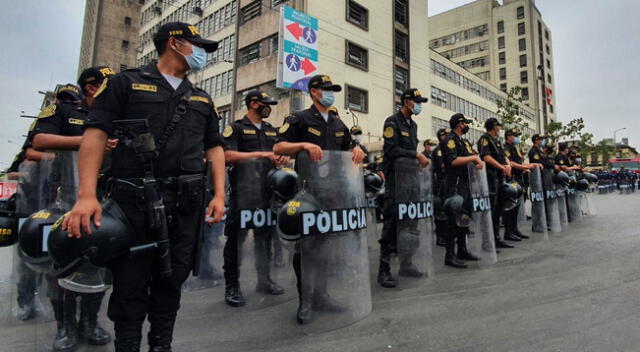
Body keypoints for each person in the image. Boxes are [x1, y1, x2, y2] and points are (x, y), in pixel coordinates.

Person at [61, 22, 226, 351]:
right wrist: (86, 195)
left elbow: (214, 147)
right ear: (175, 44)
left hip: (186, 203)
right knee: (130, 282)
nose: (201, 54)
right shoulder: (126, 83)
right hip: (134, 201)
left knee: (172, 279)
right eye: (197, 46)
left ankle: (161, 345)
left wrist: (220, 194)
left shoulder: (201, 98)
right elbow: (94, 136)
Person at [31, 70, 116, 351]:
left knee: (98, 264)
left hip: (105, 199)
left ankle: (90, 323)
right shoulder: (64, 109)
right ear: (90, 88)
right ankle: (65, 327)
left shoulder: (114, 113)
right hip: (67, 198)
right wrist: (91, 142)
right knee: (64, 267)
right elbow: (41, 141)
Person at [273, 74, 365, 324]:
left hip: (334, 194)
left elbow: (352, 148)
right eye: (326, 89)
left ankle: (322, 295)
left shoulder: (337, 123)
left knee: (325, 247)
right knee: (305, 248)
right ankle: (306, 300)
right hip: (309, 192)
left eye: (332, 90)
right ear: (314, 92)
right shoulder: (299, 119)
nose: (330, 93)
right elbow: (278, 148)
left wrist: (356, 150)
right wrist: (302, 145)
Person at [221, 90, 290, 306]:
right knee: (236, 241)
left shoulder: (272, 130)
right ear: (253, 104)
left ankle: (264, 280)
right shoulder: (237, 128)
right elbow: (227, 156)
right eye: (264, 103)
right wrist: (262, 154)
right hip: (243, 194)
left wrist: (281, 159)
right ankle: (232, 286)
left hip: (267, 194)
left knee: (265, 239)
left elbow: (279, 154)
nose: (268, 107)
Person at [377, 88, 430, 288]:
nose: (419, 105)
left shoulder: (413, 125)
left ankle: (406, 263)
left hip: (411, 180)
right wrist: (416, 155)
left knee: (410, 222)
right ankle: (384, 270)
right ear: (407, 102)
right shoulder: (392, 122)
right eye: (417, 101)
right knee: (392, 224)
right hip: (396, 181)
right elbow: (391, 150)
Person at [441, 113, 484, 269]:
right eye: (465, 123)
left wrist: (476, 158)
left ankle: (462, 250)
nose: (467, 126)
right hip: (454, 186)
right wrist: (473, 159)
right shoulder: (450, 140)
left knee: (464, 218)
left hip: (465, 185)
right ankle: (450, 254)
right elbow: (453, 161)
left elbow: (471, 155)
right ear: (459, 124)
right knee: (453, 220)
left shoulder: (463, 141)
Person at [476, 118, 517, 247]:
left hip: (499, 178)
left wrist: (507, 165)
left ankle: (496, 238)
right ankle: (488, 241)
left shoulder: (496, 141)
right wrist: (502, 167)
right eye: (498, 126)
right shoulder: (485, 139)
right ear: (493, 127)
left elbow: (503, 156)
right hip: (490, 179)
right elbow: (486, 157)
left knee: (499, 209)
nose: (500, 128)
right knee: (491, 210)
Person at [503, 128, 539, 240]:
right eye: (515, 135)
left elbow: (518, 161)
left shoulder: (515, 147)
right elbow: (511, 163)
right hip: (511, 179)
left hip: (519, 178)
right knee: (511, 206)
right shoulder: (506, 148)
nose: (517, 138)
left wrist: (524, 168)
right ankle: (508, 232)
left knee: (517, 206)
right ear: (508, 136)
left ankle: (515, 230)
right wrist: (525, 167)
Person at [432, 128, 449, 247]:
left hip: (448, 182)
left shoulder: (446, 149)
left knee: (448, 209)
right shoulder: (439, 150)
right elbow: (443, 164)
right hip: (440, 184)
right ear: (441, 137)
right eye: (446, 135)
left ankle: (446, 234)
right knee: (440, 210)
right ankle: (440, 236)